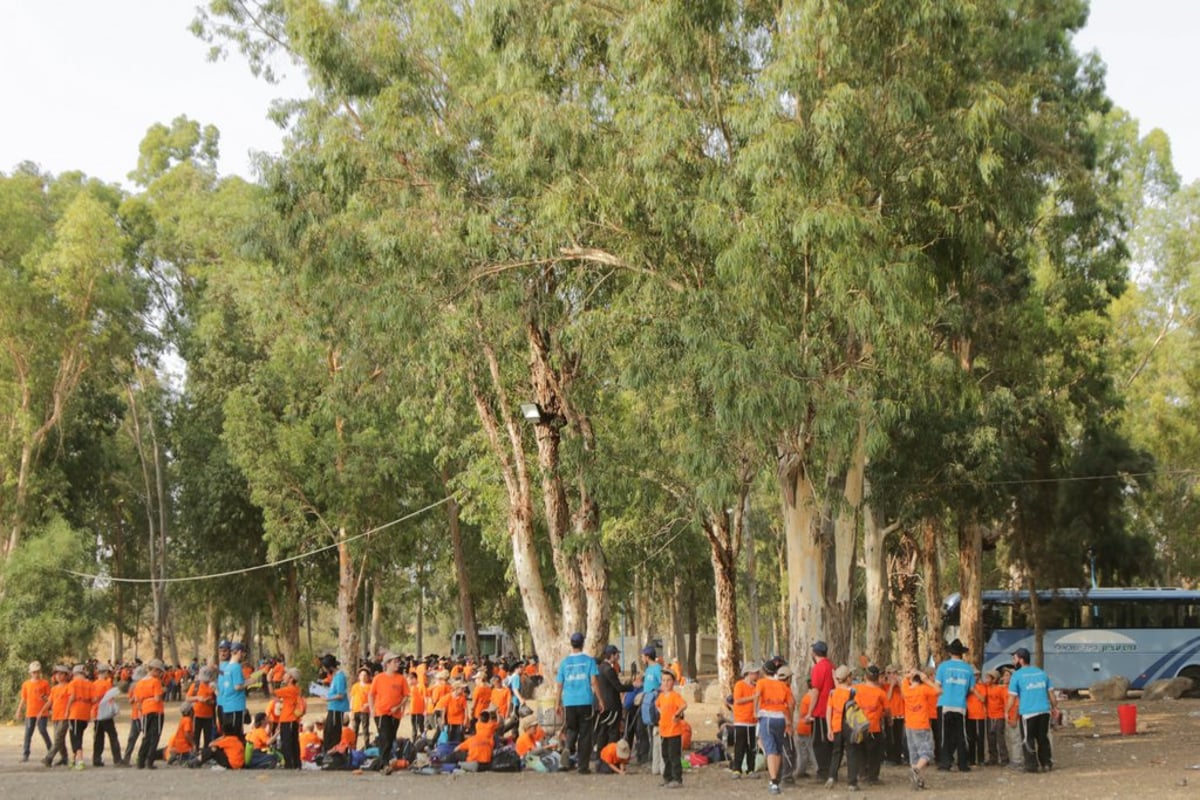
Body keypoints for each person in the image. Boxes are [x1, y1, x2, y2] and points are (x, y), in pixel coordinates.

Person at [555, 631, 602, 774]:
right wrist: (600, 700)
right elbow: (594, 681)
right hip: (585, 701)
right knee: (585, 733)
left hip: (569, 701)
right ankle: (582, 766)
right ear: (583, 643)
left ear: (571, 644)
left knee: (571, 729)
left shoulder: (564, 663)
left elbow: (559, 685)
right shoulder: (589, 661)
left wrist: (558, 703)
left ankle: (568, 748)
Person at [1006, 647, 1057, 773]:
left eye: (1015, 658)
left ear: (1021, 660)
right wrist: (1055, 707)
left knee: (1027, 739)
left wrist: (1006, 711)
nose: (1013, 661)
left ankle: (1031, 765)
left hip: (1028, 713)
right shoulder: (1041, 673)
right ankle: (1046, 763)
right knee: (1042, 738)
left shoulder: (1017, 676)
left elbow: (1012, 699)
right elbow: (1051, 694)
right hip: (1044, 711)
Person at [934, 638, 975, 772]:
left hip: (944, 704)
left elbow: (937, 686)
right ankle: (963, 764)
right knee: (961, 735)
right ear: (962, 653)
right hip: (960, 706)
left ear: (950, 653)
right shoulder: (968, 669)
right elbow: (970, 689)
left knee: (944, 735)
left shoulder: (943, 667)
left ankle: (945, 763)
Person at [756, 657, 795, 795]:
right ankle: (776, 778)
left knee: (771, 750)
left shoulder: (761, 683)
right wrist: (789, 720)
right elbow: (791, 704)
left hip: (767, 717)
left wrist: (756, 712)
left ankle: (773, 781)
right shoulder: (783, 686)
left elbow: (757, 696)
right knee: (778, 750)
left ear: (764, 671)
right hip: (781, 719)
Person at [369, 651, 410, 773]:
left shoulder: (401, 679)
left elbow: (406, 696)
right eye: (395, 662)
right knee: (385, 737)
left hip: (395, 713)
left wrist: (398, 707)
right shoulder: (378, 678)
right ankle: (384, 764)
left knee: (390, 738)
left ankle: (381, 762)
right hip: (381, 712)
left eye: (398, 662)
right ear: (387, 664)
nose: (398, 664)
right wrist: (372, 709)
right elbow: (371, 695)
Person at [902, 667, 941, 790]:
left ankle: (918, 782)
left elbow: (905, 679)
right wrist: (927, 680)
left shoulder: (906, 689)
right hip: (922, 725)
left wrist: (910, 674)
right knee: (926, 752)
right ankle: (916, 770)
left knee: (914, 755)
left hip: (909, 726)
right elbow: (939, 691)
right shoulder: (924, 689)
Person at [596, 644, 638, 754]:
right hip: (612, 705)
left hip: (603, 704)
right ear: (612, 655)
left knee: (603, 730)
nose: (618, 657)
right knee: (613, 732)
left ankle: (601, 755)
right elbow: (618, 687)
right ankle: (610, 754)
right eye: (616, 654)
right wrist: (632, 686)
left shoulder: (600, 667)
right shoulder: (609, 669)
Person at [804, 640, 835, 781]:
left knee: (819, 742)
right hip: (833, 709)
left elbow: (815, 691)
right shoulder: (831, 666)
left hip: (821, 710)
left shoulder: (817, 668)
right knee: (830, 742)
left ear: (814, 653)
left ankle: (823, 772)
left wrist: (810, 712)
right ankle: (831, 770)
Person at [824, 665, 860, 789]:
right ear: (848, 678)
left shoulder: (833, 693)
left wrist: (829, 728)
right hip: (849, 726)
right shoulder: (853, 692)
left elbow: (829, 711)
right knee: (852, 752)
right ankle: (852, 783)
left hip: (836, 725)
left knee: (836, 752)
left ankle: (831, 777)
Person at [853, 664, 889, 786]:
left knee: (860, 751)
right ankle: (872, 776)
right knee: (874, 753)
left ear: (865, 677)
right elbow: (887, 709)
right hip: (874, 727)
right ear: (878, 677)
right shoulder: (881, 693)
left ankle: (862, 774)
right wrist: (889, 719)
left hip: (858, 726)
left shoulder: (856, 688)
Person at [654, 669, 687, 789]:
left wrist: (676, 714)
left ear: (673, 682)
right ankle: (667, 778)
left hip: (674, 731)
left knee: (674, 756)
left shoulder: (675, 696)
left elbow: (684, 705)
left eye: (668, 680)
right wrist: (661, 712)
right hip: (664, 730)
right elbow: (656, 704)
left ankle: (677, 779)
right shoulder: (661, 696)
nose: (666, 683)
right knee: (665, 755)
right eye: (663, 680)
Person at [133, 659, 167, 769]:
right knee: (155, 736)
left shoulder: (139, 683)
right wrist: (163, 692)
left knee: (146, 736)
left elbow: (137, 702)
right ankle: (150, 760)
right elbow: (157, 698)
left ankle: (140, 760)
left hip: (145, 710)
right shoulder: (155, 681)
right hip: (156, 710)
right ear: (155, 670)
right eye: (160, 672)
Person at [17, 661, 51, 763]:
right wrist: (19, 710)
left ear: (40, 672)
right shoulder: (26, 684)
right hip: (30, 712)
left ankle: (51, 750)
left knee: (43, 730)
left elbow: (49, 698)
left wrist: (44, 698)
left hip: (42, 712)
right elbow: (23, 698)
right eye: (34, 672)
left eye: (37, 672)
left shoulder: (44, 683)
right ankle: (25, 754)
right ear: (30, 673)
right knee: (28, 734)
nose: (36, 674)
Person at [730, 663, 759, 777]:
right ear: (748, 673)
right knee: (740, 745)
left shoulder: (756, 686)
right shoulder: (740, 685)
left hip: (752, 722)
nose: (757, 675)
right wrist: (753, 698)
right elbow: (737, 700)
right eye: (755, 673)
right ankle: (737, 769)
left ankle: (751, 769)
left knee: (751, 746)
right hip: (741, 721)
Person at [637, 646, 664, 769]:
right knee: (643, 728)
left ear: (647, 657)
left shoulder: (657, 669)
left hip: (653, 703)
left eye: (643, 656)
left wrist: (654, 692)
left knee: (654, 730)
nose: (642, 659)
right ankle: (645, 755)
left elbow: (663, 684)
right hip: (645, 702)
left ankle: (655, 757)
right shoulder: (647, 670)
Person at [273, 666, 305, 769]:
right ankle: (296, 763)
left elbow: (273, 692)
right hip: (292, 719)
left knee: (287, 742)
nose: (284, 676)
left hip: (288, 718)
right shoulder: (295, 689)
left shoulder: (290, 689)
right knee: (294, 741)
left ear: (291, 678)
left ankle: (290, 764)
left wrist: (269, 680)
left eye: (286, 674)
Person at [91, 663, 122, 767]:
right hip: (106, 713)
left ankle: (96, 759)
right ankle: (117, 759)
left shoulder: (93, 684)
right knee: (113, 736)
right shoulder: (107, 684)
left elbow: (93, 699)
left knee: (98, 738)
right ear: (104, 673)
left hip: (96, 713)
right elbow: (110, 698)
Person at [217, 642, 249, 740]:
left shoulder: (227, 667)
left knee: (228, 735)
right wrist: (250, 682)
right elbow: (237, 687)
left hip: (227, 706)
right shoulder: (236, 667)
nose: (243, 655)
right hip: (235, 706)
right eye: (243, 653)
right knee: (235, 736)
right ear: (239, 652)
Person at [65, 664, 93, 769]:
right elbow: (93, 699)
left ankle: (80, 760)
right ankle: (73, 760)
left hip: (75, 713)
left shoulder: (73, 683)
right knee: (78, 735)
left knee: (75, 738)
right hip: (85, 713)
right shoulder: (90, 684)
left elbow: (71, 697)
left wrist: (67, 710)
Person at [43, 664, 71, 767]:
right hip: (55, 716)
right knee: (59, 738)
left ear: (66, 675)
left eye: (61, 674)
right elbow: (50, 701)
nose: (58, 676)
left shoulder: (69, 687)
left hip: (65, 716)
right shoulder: (54, 688)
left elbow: (71, 700)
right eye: (56, 674)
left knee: (58, 738)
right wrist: (42, 711)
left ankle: (48, 758)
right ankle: (64, 758)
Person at [320, 654, 349, 752]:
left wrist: (328, 699)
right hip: (332, 707)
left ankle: (333, 752)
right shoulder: (335, 677)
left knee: (333, 732)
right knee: (327, 731)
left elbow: (341, 695)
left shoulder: (340, 677)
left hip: (337, 708)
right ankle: (328, 751)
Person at [983, 670, 1009, 765]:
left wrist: (1006, 713)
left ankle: (1004, 758)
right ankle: (993, 758)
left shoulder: (1001, 689)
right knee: (990, 737)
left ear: (994, 679)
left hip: (999, 716)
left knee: (1000, 737)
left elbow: (1005, 701)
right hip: (990, 716)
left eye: (989, 678)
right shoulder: (986, 687)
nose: (987, 679)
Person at [966, 668, 986, 766]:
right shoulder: (967, 687)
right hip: (969, 715)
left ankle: (981, 759)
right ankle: (971, 759)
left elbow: (982, 699)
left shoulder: (982, 686)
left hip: (979, 716)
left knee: (980, 738)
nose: (975, 677)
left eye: (977, 675)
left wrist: (974, 691)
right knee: (970, 738)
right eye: (973, 675)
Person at [350, 667, 373, 747]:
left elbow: (373, 699)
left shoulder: (370, 686)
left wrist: (368, 705)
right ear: (359, 676)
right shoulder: (355, 686)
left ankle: (367, 747)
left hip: (364, 711)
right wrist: (351, 710)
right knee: (354, 730)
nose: (363, 677)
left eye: (365, 675)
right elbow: (352, 698)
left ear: (368, 677)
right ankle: (353, 747)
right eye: (361, 675)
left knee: (365, 729)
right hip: (356, 709)